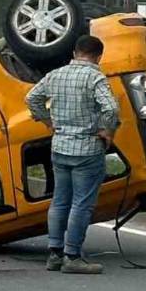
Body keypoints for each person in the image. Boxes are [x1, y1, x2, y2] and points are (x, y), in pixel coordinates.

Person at [26, 33, 120, 275]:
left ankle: (54, 254)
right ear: (99, 56)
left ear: (74, 53)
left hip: (59, 146)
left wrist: (47, 121)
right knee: (82, 204)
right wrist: (107, 130)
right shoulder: (95, 77)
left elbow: (31, 97)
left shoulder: (56, 75)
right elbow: (111, 107)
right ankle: (72, 256)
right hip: (87, 149)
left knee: (59, 201)